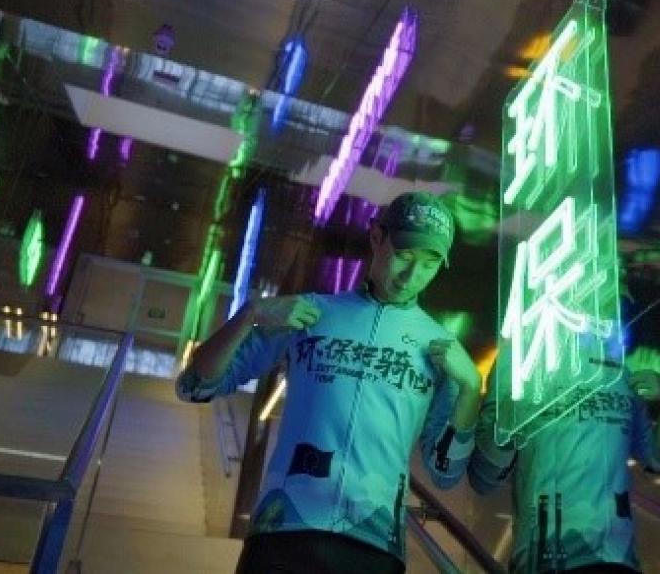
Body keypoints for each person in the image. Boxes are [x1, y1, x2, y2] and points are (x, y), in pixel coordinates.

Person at [174, 192, 481, 574]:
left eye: (429, 263)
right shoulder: (309, 312)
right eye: (404, 255)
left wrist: (471, 387)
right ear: (377, 237)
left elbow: (445, 472)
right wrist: (249, 314)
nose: (411, 276)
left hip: (373, 545)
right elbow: (193, 385)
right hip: (281, 529)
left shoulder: (440, 351)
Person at [469, 347, 660, 573]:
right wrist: (507, 421)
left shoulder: (619, 372)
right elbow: (484, 477)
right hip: (547, 558)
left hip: (618, 558)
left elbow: (658, 460)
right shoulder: (519, 359)